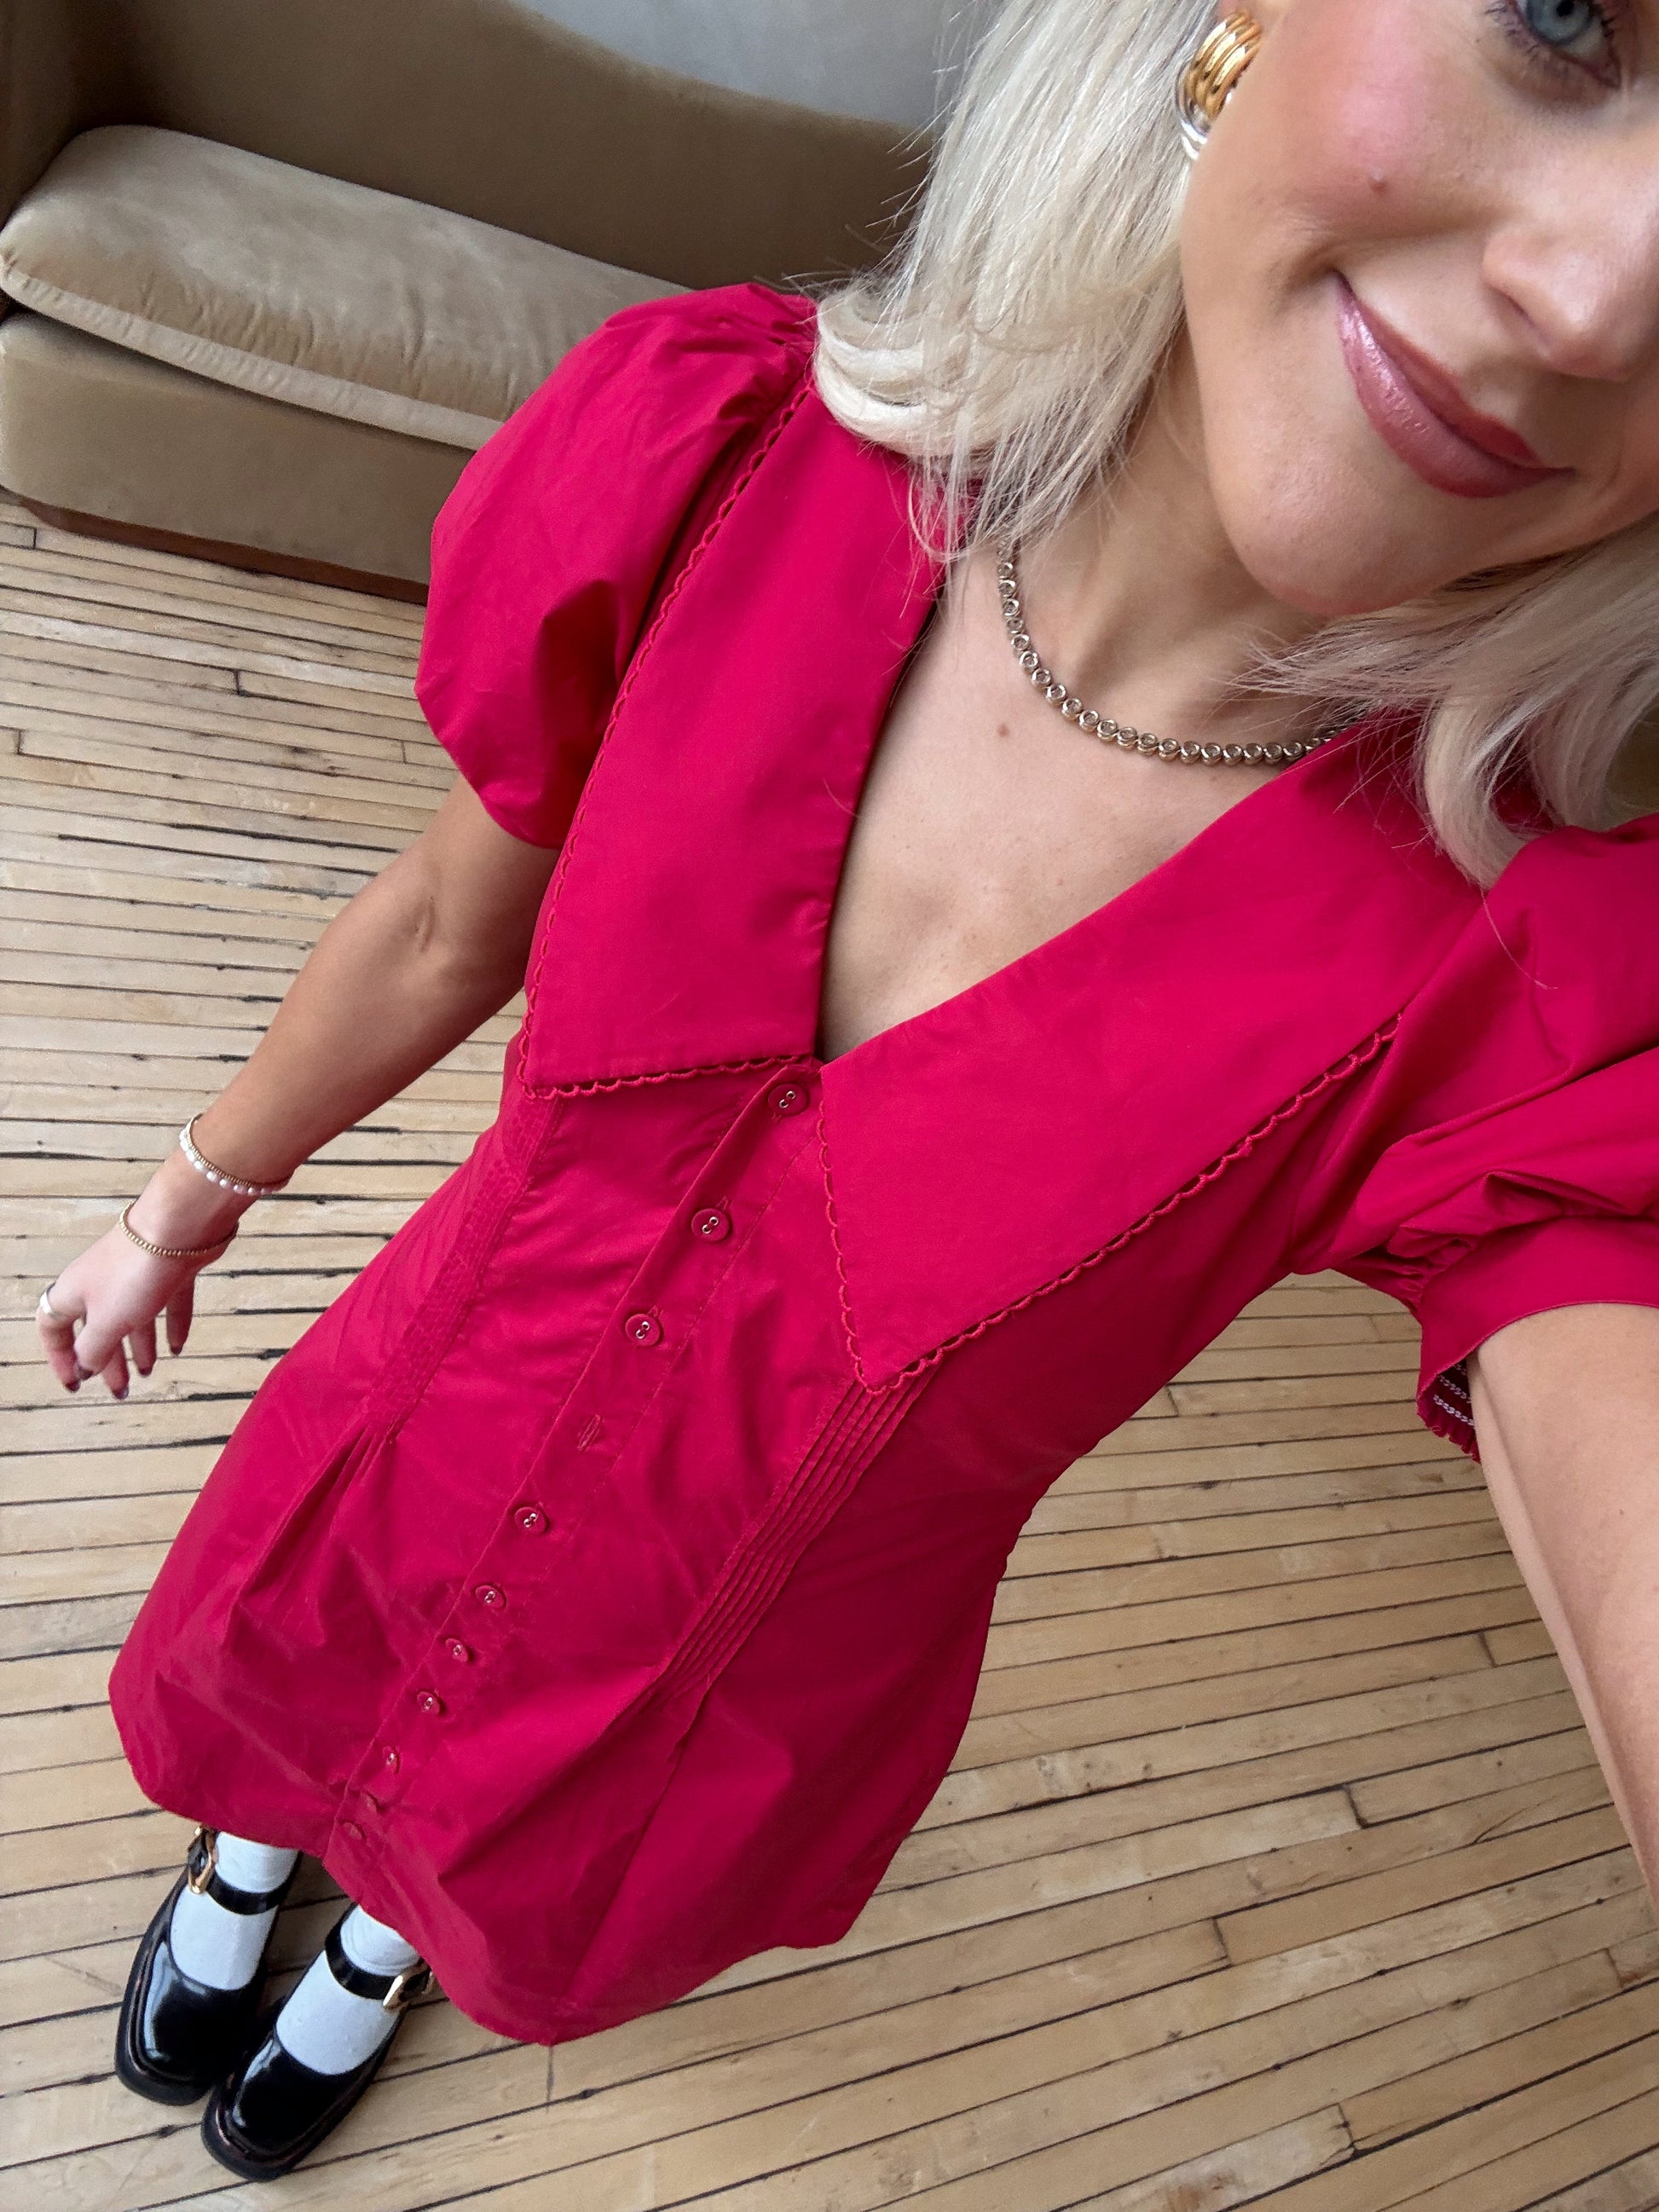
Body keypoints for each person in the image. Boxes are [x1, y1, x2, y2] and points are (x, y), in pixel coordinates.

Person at [37, 0, 1659, 2181]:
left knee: (485, 1858)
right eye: (1562, 13)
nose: (1595, 297)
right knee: (289, 1695)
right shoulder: (716, 460)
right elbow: (443, 919)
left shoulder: (1521, 976)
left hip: (705, 1683)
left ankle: (372, 1958)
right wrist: (182, 1196)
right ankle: (250, 1865)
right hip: (409, 1429)